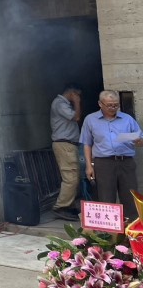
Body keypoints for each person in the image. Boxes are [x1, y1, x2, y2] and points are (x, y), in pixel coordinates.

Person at [82, 90, 143, 222]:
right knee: (106, 197)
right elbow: (87, 144)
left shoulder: (127, 119)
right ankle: (109, 231)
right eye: (109, 105)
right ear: (100, 104)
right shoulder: (90, 120)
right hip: (103, 163)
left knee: (130, 196)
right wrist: (89, 166)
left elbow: (141, 140)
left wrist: (139, 141)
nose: (113, 108)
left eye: (116, 105)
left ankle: (131, 228)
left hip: (126, 162)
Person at [50, 84, 82, 220]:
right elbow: (76, 117)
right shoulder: (60, 103)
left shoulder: (63, 104)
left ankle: (69, 204)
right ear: (71, 92)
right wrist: (77, 102)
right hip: (64, 144)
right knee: (70, 177)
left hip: (68, 144)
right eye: (77, 94)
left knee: (74, 176)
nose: (79, 97)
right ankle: (61, 206)